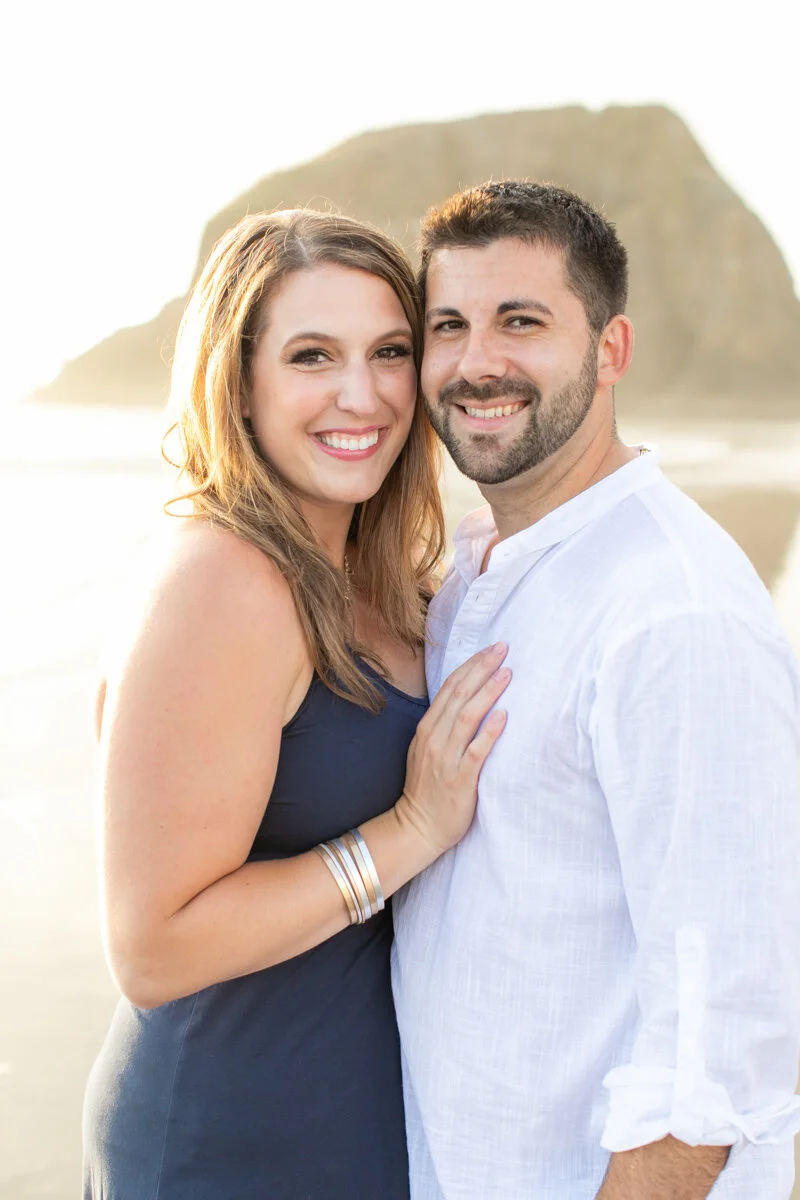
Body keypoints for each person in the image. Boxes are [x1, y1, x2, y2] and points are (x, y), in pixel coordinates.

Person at [82, 208, 511, 1200]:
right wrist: (407, 832)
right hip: (230, 1137)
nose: (359, 394)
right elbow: (152, 947)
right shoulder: (225, 580)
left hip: (349, 1115)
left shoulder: (381, 576)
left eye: (389, 351)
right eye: (312, 355)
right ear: (239, 382)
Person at [392, 180, 800, 1199]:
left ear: (609, 351)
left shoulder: (673, 613)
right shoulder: (470, 574)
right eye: (448, 326)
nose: (477, 361)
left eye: (519, 322)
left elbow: (717, 1053)